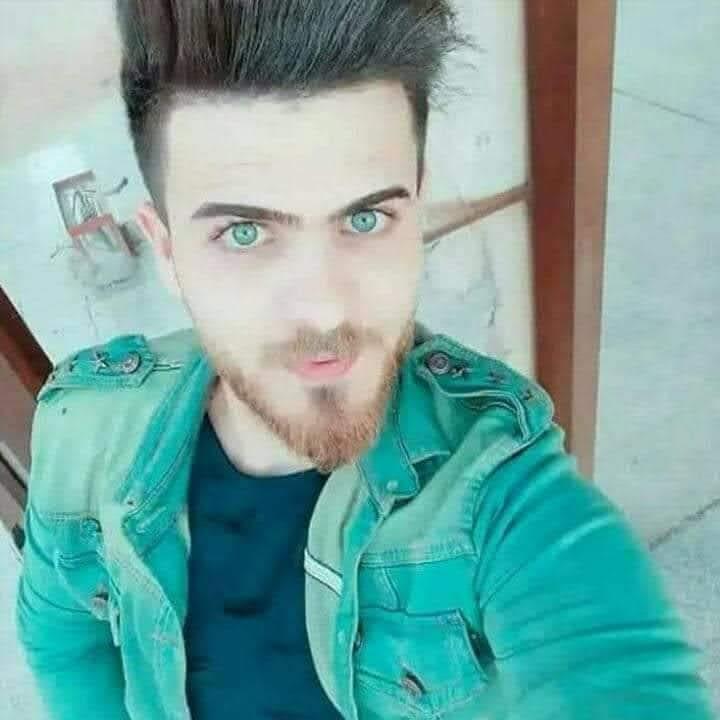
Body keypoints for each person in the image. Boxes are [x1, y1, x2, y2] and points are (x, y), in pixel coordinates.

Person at [15, 2, 714, 719]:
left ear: (418, 212)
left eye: (365, 218)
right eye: (245, 233)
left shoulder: (497, 484)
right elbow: (64, 639)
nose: (324, 311)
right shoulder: (83, 431)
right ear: (166, 251)